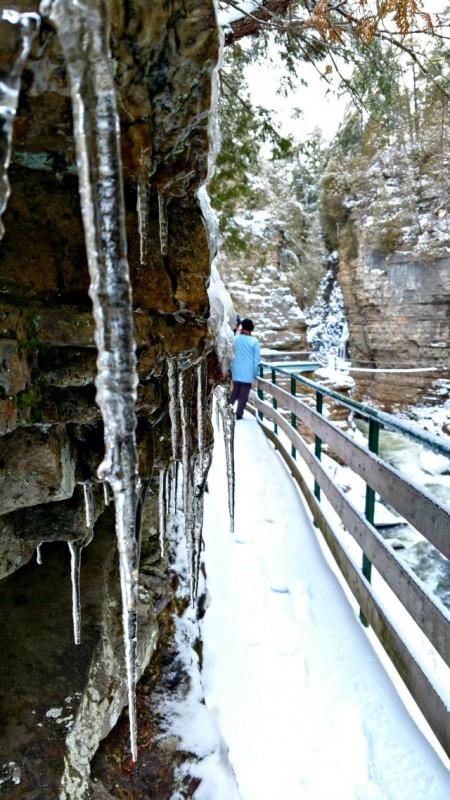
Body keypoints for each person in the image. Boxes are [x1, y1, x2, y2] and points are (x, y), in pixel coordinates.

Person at [230, 318, 260, 419]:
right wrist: (256, 374)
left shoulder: (235, 339)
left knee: (235, 391)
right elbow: (256, 361)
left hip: (235, 370)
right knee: (244, 394)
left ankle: (227, 409)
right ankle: (239, 414)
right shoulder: (254, 341)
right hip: (248, 372)